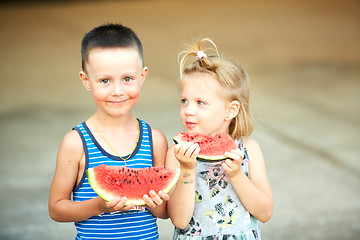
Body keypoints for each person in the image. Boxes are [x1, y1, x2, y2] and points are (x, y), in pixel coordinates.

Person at [48, 23, 169, 240]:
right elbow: (56, 208)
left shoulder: (155, 140)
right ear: (86, 81)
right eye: (105, 81)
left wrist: (156, 200)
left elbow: (162, 213)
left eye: (127, 79)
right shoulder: (75, 143)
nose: (117, 91)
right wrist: (99, 205)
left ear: (142, 76)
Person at [166, 38, 273, 239]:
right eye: (184, 101)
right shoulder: (176, 154)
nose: (188, 110)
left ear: (230, 110)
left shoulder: (249, 149)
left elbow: (265, 212)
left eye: (200, 102)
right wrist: (187, 170)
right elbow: (179, 220)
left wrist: (237, 176)